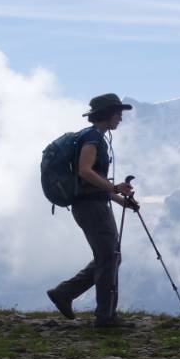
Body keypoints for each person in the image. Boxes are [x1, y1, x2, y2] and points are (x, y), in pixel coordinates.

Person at [46, 93, 139, 328]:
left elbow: (91, 182)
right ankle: (105, 317)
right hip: (92, 208)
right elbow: (85, 171)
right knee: (109, 257)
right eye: (118, 113)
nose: (120, 118)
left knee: (109, 257)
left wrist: (119, 199)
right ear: (107, 114)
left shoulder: (93, 137)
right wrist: (114, 187)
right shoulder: (92, 139)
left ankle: (65, 293)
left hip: (90, 205)